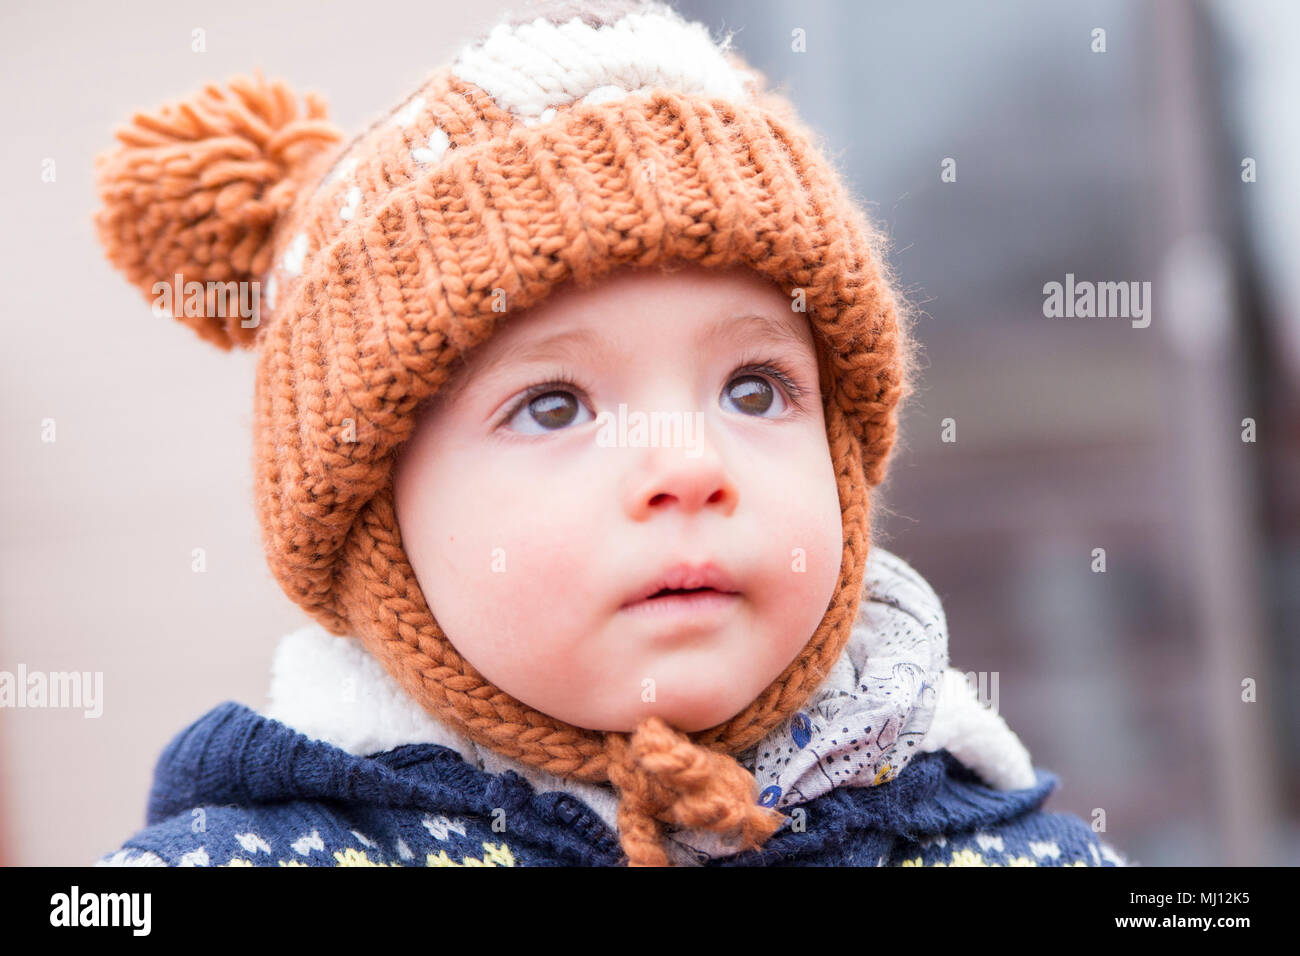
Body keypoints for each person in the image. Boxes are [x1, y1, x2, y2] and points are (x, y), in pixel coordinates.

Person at [91, 0, 1130, 867]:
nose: (689, 464)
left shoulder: (1005, 845)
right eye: (554, 405)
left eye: (756, 389)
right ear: (375, 527)